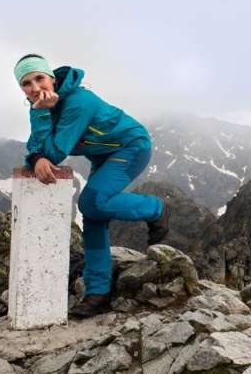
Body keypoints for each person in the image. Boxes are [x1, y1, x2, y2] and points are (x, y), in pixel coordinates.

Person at [15, 54, 170, 317]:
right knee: (93, 217)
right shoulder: (42, 107)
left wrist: (42, 149)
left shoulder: (78, 102)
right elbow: (36, 147)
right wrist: (37, 156)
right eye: (26, 83)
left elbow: (56, 151)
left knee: (93, 203)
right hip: (102, 155)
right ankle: (98, 293)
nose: (34, 88)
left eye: (39, 78)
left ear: (51, 77)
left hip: (132, 146)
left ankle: (155, 208)